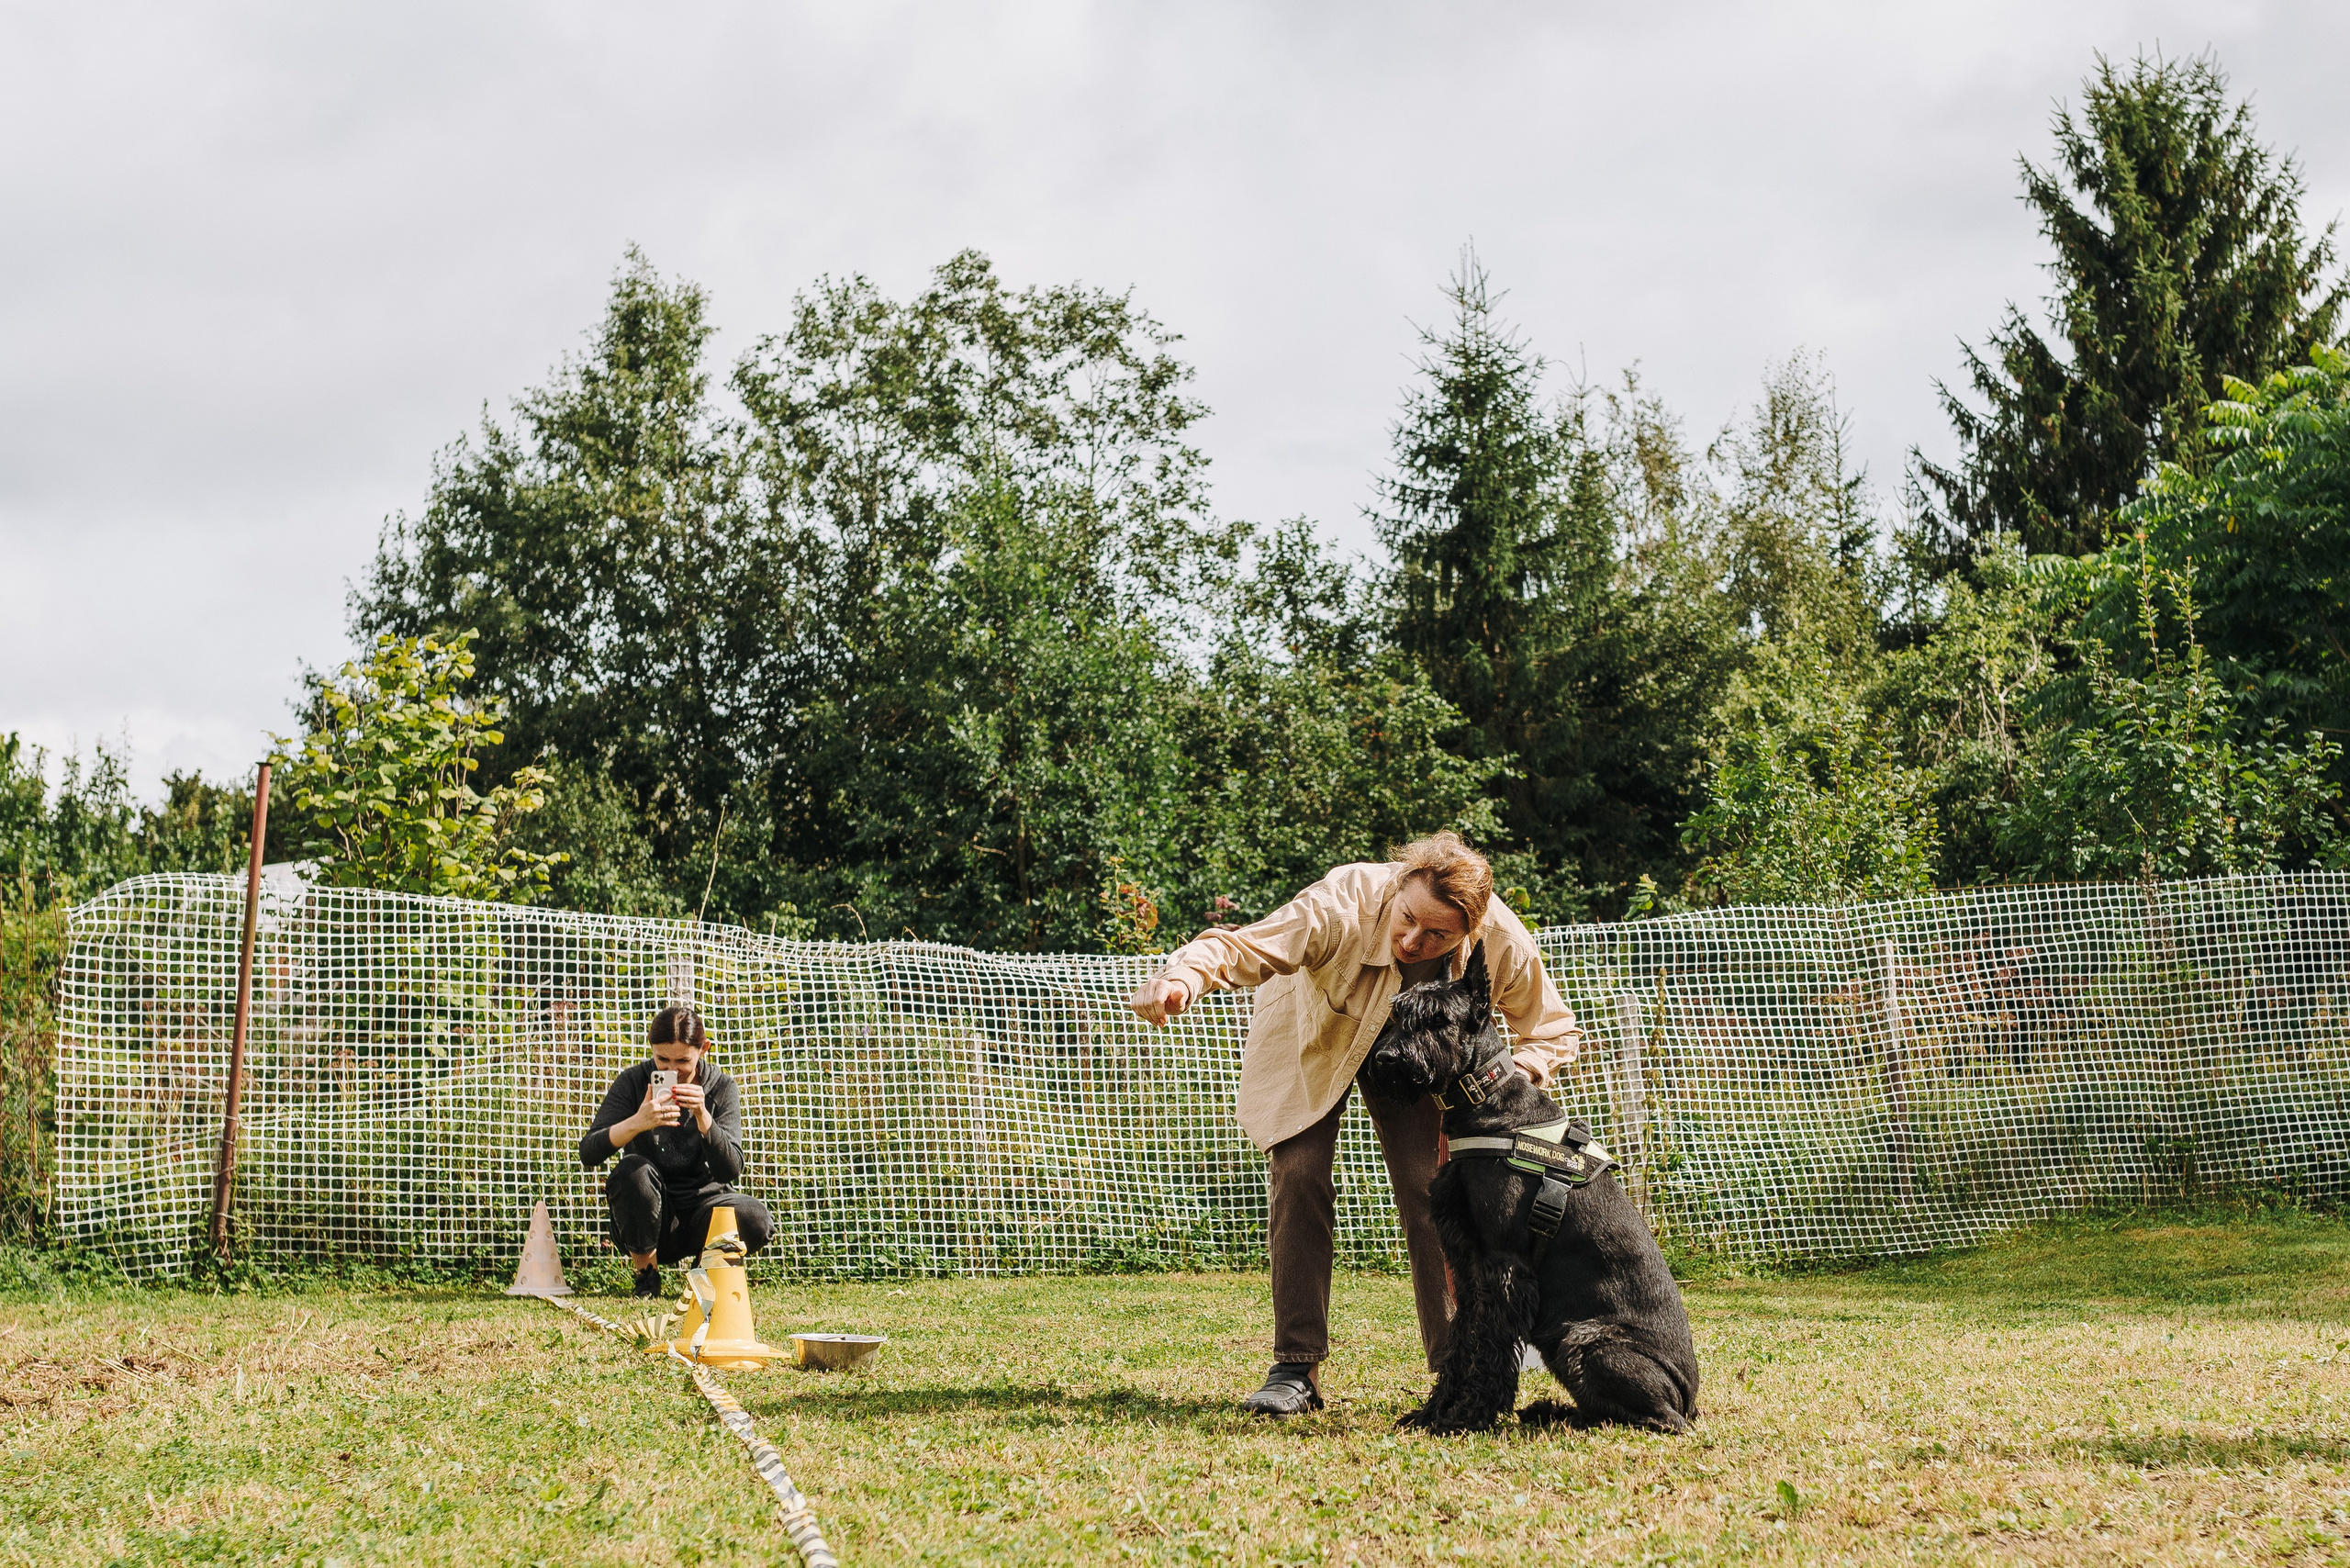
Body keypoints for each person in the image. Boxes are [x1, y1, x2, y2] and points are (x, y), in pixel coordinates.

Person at [1127, 833, 1583, 1416]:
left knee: (1434, 1191)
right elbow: (1249, 947)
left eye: (1437, 935)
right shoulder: (1341, 904)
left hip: (1421, 1062)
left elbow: (1551, 1028)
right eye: (1407, 919)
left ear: (1467, 931)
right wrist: (1186, 977)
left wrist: (1512, 1074)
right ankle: (1295, 1368)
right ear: (1397, 890)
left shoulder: (1500, 939)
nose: (1414, 941)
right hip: (1316, 1039)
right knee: (1299, 1175)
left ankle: (1457, 1366)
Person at [580, 1003, 775, 1296]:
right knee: (631, 1171)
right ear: (651, 1049)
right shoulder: (633, 1082)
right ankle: (647, 1277)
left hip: (705, 1211)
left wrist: (703, 1117)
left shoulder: (721, 1087)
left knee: (755, 1217)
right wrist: (637, 1122)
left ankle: (701, 1276)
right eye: (662, 1059)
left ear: (704, 1049)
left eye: (683, 1060)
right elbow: (589, 1152)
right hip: (650, 1214)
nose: (672, 1071)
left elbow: (731, 1168)